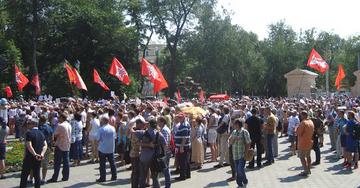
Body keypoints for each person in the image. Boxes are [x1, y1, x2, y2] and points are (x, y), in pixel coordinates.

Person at [20, 118, 47, 188]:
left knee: (24, 175)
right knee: (37, 175)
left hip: (29, 157)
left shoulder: (29, 133)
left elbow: (29, 145)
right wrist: (42, 154)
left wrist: (34, 154)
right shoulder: (41, 133)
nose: (27, 125)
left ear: (33, 124)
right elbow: (45, 145)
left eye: (29, 123)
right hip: (38, 158)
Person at [47, 112, 71, 183]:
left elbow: (55, 135)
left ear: (62, 118)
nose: (58, 119)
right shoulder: (68, 124)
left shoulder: (60, 126)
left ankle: (55, 178)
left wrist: (52, 143)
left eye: (59, 117)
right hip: (67, 145)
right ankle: (65, 177)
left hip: (60, 145)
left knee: (57, 163)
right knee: (66, 162)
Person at [229, 119, 251, 187]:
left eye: (235, 124)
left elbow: (248, 142)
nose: (234, 125)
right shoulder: (234, 132)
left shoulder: (244, 132)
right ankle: (245, 180)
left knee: (239, 169)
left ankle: (239, 183)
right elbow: (230, 142)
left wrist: (246, 153)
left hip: (242, 154)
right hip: (235, 154)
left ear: (239, 125)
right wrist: (234, 138)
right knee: (240, 170)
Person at [96, 114, 117, 182]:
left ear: (103, 121)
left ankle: (103, 177)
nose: (100, 121)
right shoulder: (113, 128)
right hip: (111, 148)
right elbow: (115, 137)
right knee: (112, 163)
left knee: (102, 164)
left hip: (103, 149)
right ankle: (114, 176)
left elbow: (97, 139)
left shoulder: (101, 129)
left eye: (101, 120)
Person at [296, 111, 314, 176]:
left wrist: (296, 129)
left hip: (303, 142)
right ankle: (309, 169)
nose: (300, 116)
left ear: (303, 115)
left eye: (301, 115)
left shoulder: (303, 123)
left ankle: (305, 171)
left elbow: (298, 133)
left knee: (302, 157)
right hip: (309, 141)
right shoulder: (311, 122)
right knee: (308, 156)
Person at [174, 113, 191, 181]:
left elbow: (184, 137)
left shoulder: (184, 125)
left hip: (183, 146)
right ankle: (187, 174)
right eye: (178, 117)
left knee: (182, 161)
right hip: (184, 145)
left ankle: (182, 176)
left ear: (183, 118)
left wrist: (181, 147)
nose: (179, 119)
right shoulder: (183, 124)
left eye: (180, 117)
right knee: (185, 161)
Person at [38, 115, 53, 185]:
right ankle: (43, 178)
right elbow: (52, 137)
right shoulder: (49, 128)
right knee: (45, 164)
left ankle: (33, 178)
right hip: (48, 147)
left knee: (36, 163)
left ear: (40, 120)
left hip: (39, 147)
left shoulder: (39, 128)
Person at [158, 116, 172, 188]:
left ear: (162, 122)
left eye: (159, 121)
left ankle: (168, 185)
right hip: (166, 151)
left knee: (166, 169)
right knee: (166, 169)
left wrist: (164, 154)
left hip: (165, 152)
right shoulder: (164, 129)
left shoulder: (164, 130)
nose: (157, 123)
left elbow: (165, 143)